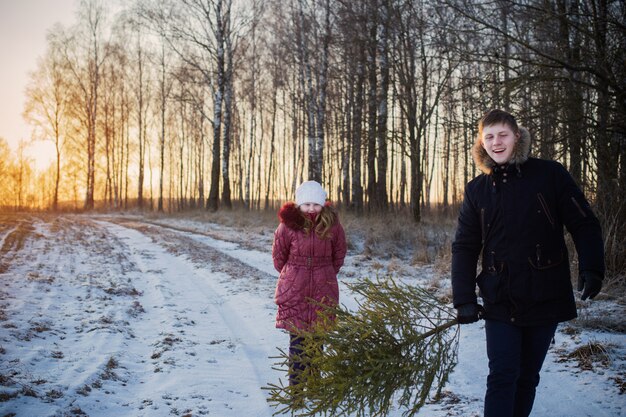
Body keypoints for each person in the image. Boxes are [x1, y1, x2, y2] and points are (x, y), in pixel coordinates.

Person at [451, 109, 605, 417]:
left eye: (503, 135)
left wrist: (593, 265)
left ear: (516, 136)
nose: (496, 142)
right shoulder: (476, 189)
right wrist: (464, 298)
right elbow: (465, 246)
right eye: (489, 136)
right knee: (502, 375)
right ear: (482, 142)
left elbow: (584, 222)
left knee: (527, 377)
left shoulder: (549, 174)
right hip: (499, 296)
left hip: (544, 292)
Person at [272, 180, 347, 386]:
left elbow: (339, 253)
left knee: (317, 342)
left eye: (316, 204)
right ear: (299, 205)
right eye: (307, 204)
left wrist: (327, 272)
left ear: (323, 204)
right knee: (297, 343)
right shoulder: (287, 226)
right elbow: (279, 256)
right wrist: (293, 274)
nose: (311, 209)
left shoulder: (332, 225)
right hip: (294, 291)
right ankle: (296, 390)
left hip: (324, 288)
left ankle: (314, 388)